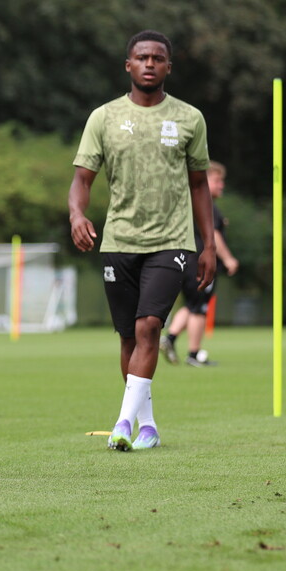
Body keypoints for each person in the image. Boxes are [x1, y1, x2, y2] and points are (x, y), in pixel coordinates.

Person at [68, 30, 216, 452]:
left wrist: (208, 245)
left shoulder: (190, 118)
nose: (149, 63)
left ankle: (121, 424)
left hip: (173, 239)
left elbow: (200, 185)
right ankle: (146, 425)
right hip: (119, 239)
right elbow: (81, 179)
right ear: (128, 65)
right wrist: (78, 214)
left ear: (169, 66)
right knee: (129, 339)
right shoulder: (104, 117)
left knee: (149, 325)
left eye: (158, 58)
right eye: (142, 57)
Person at [160, 161, 239, 367]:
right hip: (200, 263)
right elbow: (213, 234)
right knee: (200, 308)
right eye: (217, 180)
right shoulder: (206, 205)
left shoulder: (192, 203)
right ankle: (193, 355)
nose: (221, 185)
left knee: (191, 304)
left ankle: (170, 338)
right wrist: (228, 258)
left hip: (186, 260)